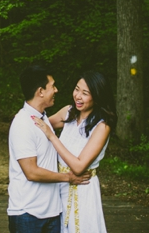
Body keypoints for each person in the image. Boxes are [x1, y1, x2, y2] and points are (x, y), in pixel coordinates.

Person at [8, 65, 91, 233]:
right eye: (52, 86)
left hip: (52, 212)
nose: (56, 90)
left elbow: (74, 118)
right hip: (28, 214)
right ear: (40, 92)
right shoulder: (22, 124)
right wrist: (68, 177)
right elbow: (31, 172)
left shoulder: (42, 118)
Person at [31, 71, 116, 233]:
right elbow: (39, 125)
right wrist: (23, 118)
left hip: (83, 187)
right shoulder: (68, 112)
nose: (78, 96)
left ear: (97, 96)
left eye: (85, 93)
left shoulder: (102, 126)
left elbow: (79, 166)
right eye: (77, 89)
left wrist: (51, 135)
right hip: (60, 185)